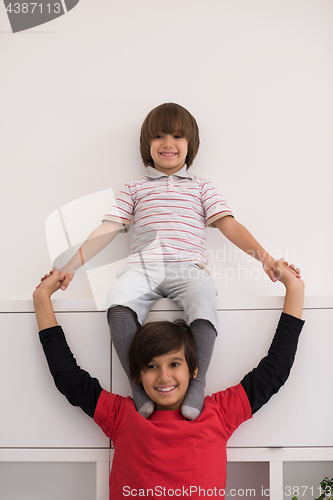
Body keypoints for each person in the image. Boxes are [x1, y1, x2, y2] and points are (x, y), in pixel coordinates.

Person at [39, 103, 301, 420]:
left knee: (204, 301)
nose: (168, 143)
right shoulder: (135, 188)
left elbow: (229, 224)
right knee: (117, 302)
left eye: (177, 136)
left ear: (190, 145)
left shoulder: (201, 187)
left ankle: (196, 382)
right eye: (159, 136)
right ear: (147, 145)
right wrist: (70, 265)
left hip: (188, 269)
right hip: (142, 270)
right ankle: (138, 384)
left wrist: (267, 259)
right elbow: (107, 228)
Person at [33, 259, 305, 499]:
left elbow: (275, 370)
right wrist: (42, 298)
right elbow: (68, 376)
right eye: (151, 366)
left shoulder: (219, 413)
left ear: (194, 369)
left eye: (174, 364)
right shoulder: (121, 416)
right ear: (136, 373)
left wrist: (294, 289)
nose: (164, 377)